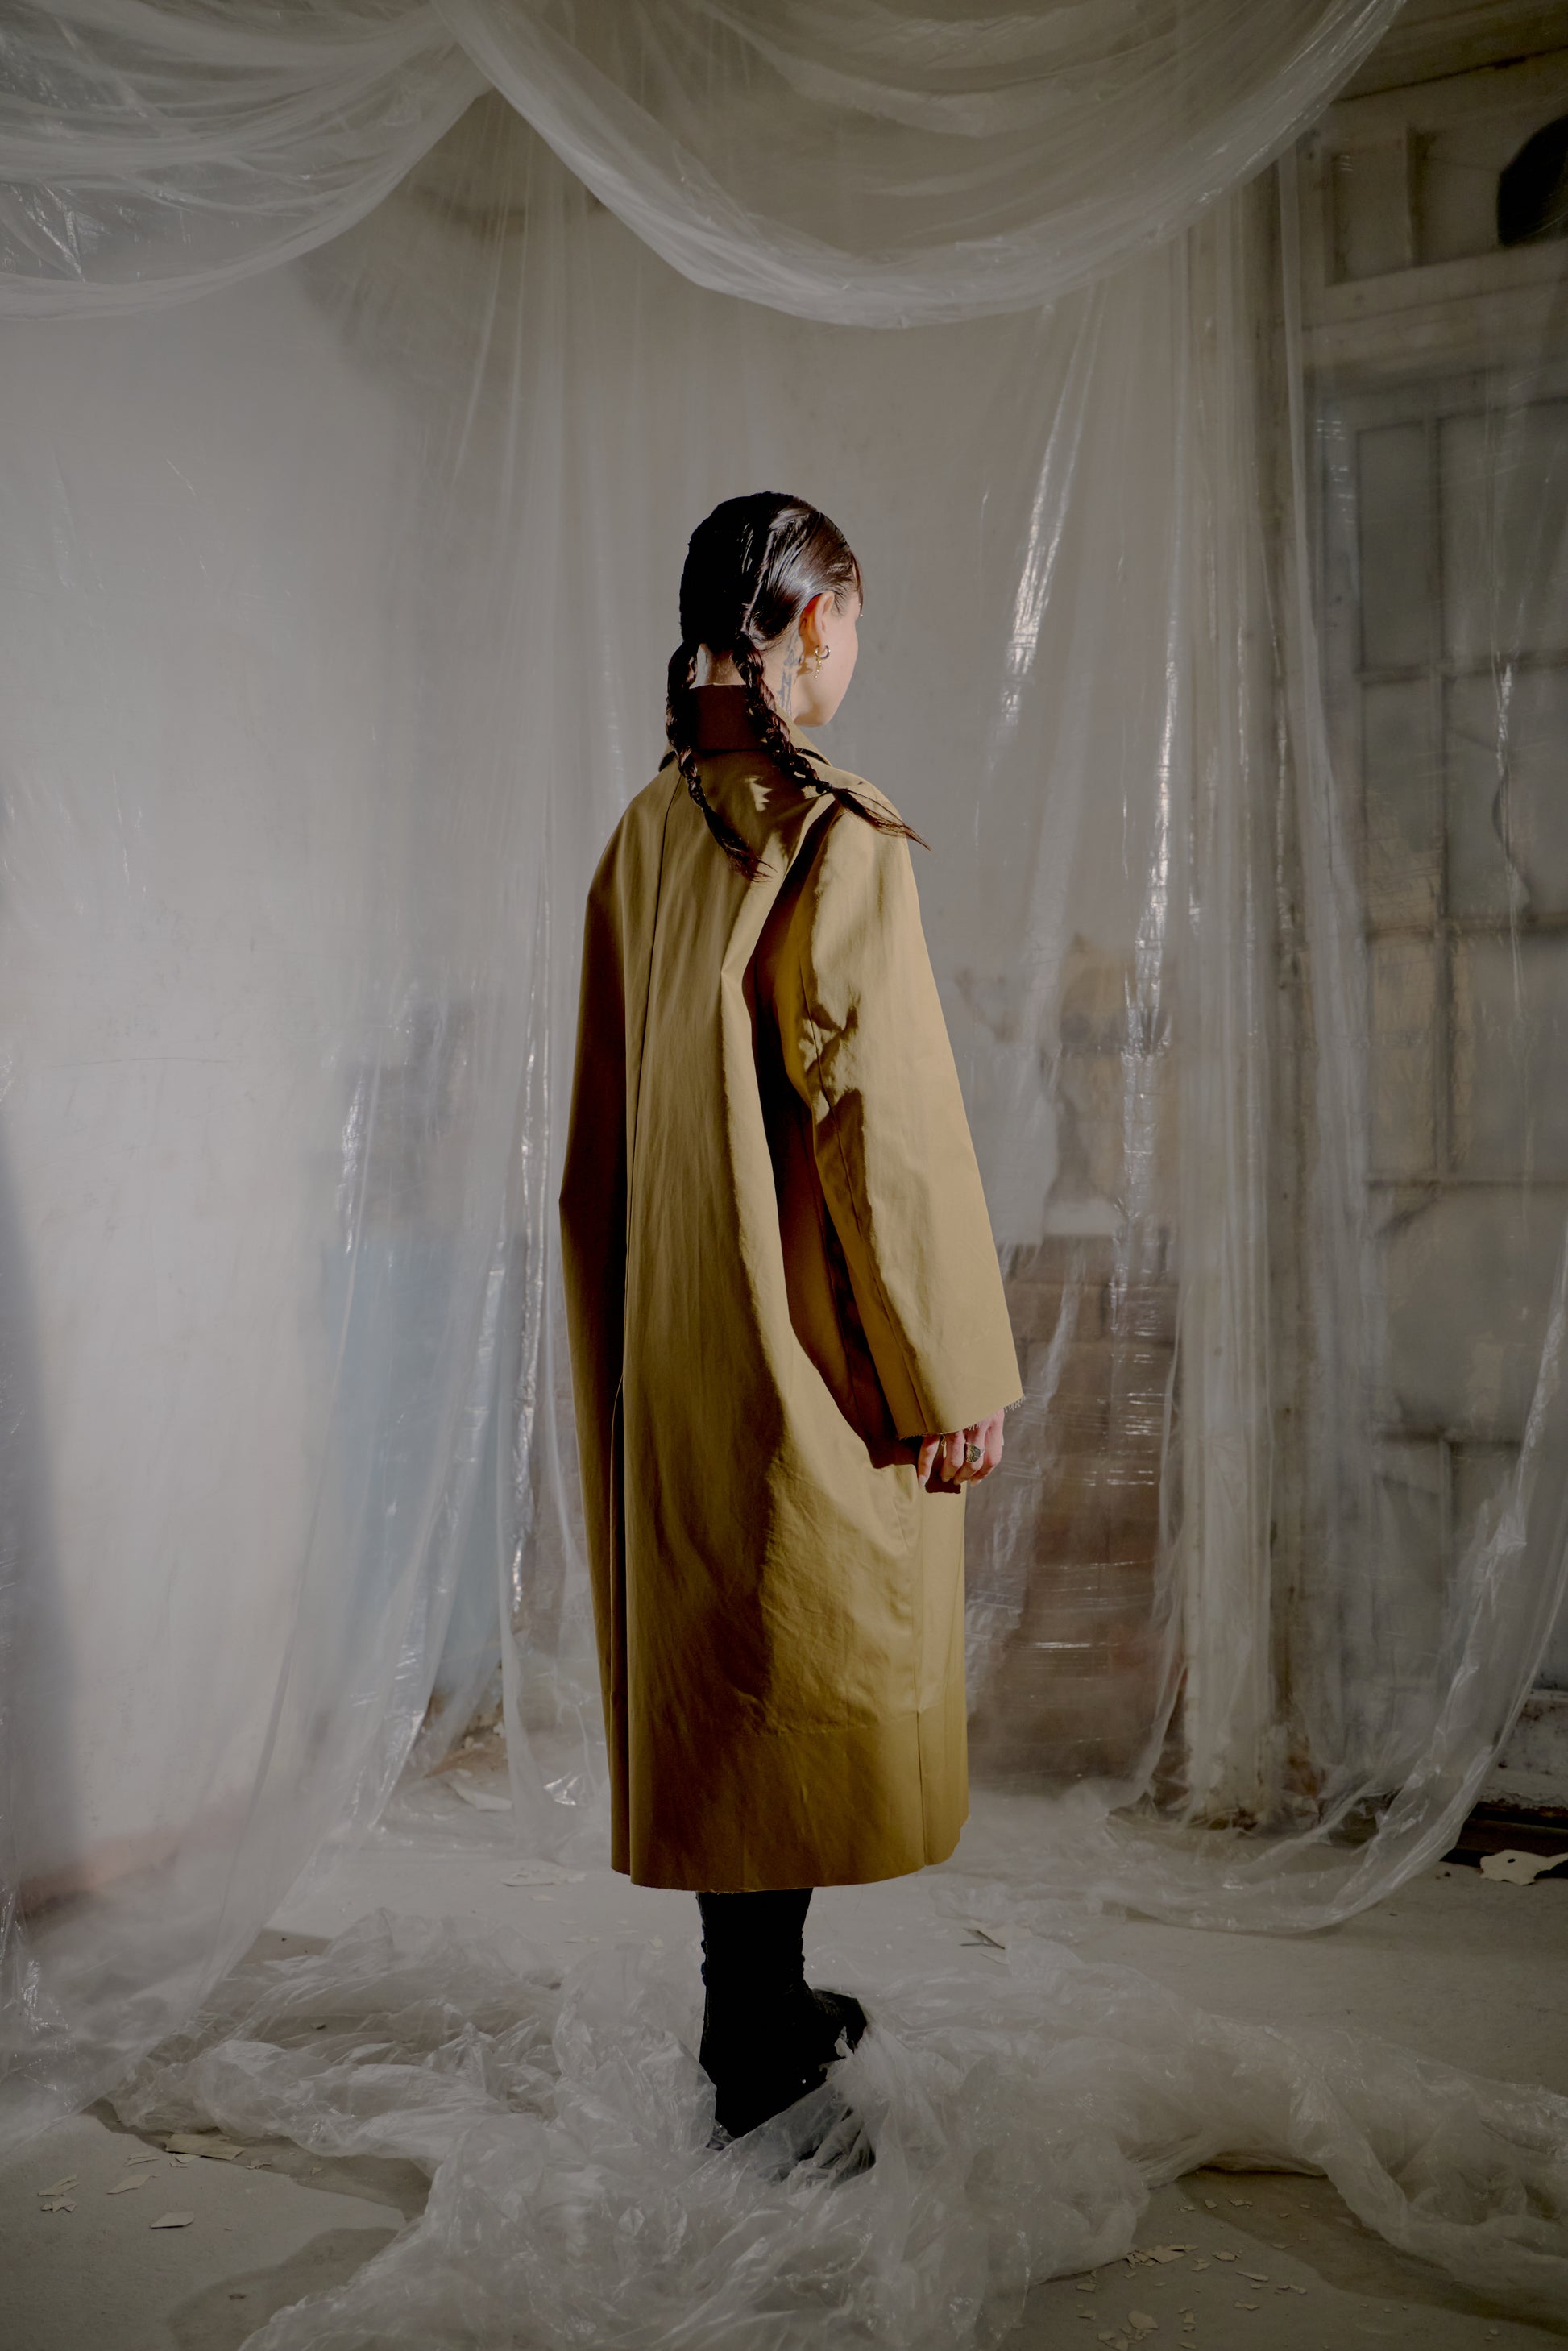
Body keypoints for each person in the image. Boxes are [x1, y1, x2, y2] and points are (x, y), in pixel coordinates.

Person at [558, 491, 1021, 2145]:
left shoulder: (648, 827)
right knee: (805, 1665)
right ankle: (757, 2049)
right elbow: (882, 1130)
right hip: (814, 1342)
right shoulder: (830, 833)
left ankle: (744, 1994)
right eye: (856, 620)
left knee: (733, 1664)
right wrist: (947, 1370)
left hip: (674, 1330)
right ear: (815, 623)